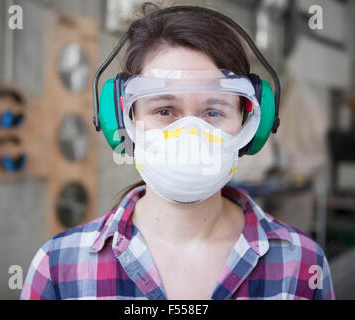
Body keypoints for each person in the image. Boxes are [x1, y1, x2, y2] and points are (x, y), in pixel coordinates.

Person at [20, 4, 335, 300]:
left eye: (213, 112)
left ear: (251, 126)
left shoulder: (301, 265)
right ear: (123, 121)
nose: (190, 135)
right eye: (164, 110)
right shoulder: (59, 269)